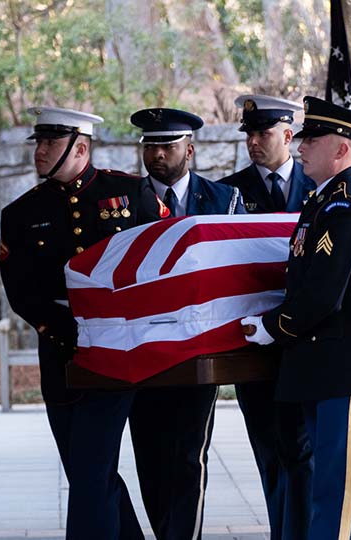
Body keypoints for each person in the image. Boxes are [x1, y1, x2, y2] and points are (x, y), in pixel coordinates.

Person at [240, 96, 351, 540]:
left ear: (341, 150)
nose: (302, 146)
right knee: (329, 486)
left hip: (349, 367)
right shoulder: (325, 201)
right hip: (331, 366)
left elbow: (322, 294)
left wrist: (272, 327)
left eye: (313, 138)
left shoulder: (344, 206)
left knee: (339, 493)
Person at [0, 106, 165, 539]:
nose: (39, 151)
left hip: (117, 350)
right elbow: (20, 291)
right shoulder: (20, 213)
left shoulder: (131, 193)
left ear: (81, 147)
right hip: (60, 350)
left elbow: (161, 263)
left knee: (91, 471)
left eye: (50, 142)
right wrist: (67, 332)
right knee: (87, 471)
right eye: (38, 142)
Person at [127, 106, 246, 540]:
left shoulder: (221, 200)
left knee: (191, 452)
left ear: (189, 150)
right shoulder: (125, 202)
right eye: (150, 145)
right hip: (144, 349)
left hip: (199, 348)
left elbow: (233, 271)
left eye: (167, 145)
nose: (157, 154)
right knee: (150, 454)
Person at [218, 94, 315, 539]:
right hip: (254, 339)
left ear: (289, 136)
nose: (254, 142)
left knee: (306, 449)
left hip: (308, 338)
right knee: (269, 449)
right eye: (249, 134)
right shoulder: (228, 193)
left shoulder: (318, 187)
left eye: (264, 133)